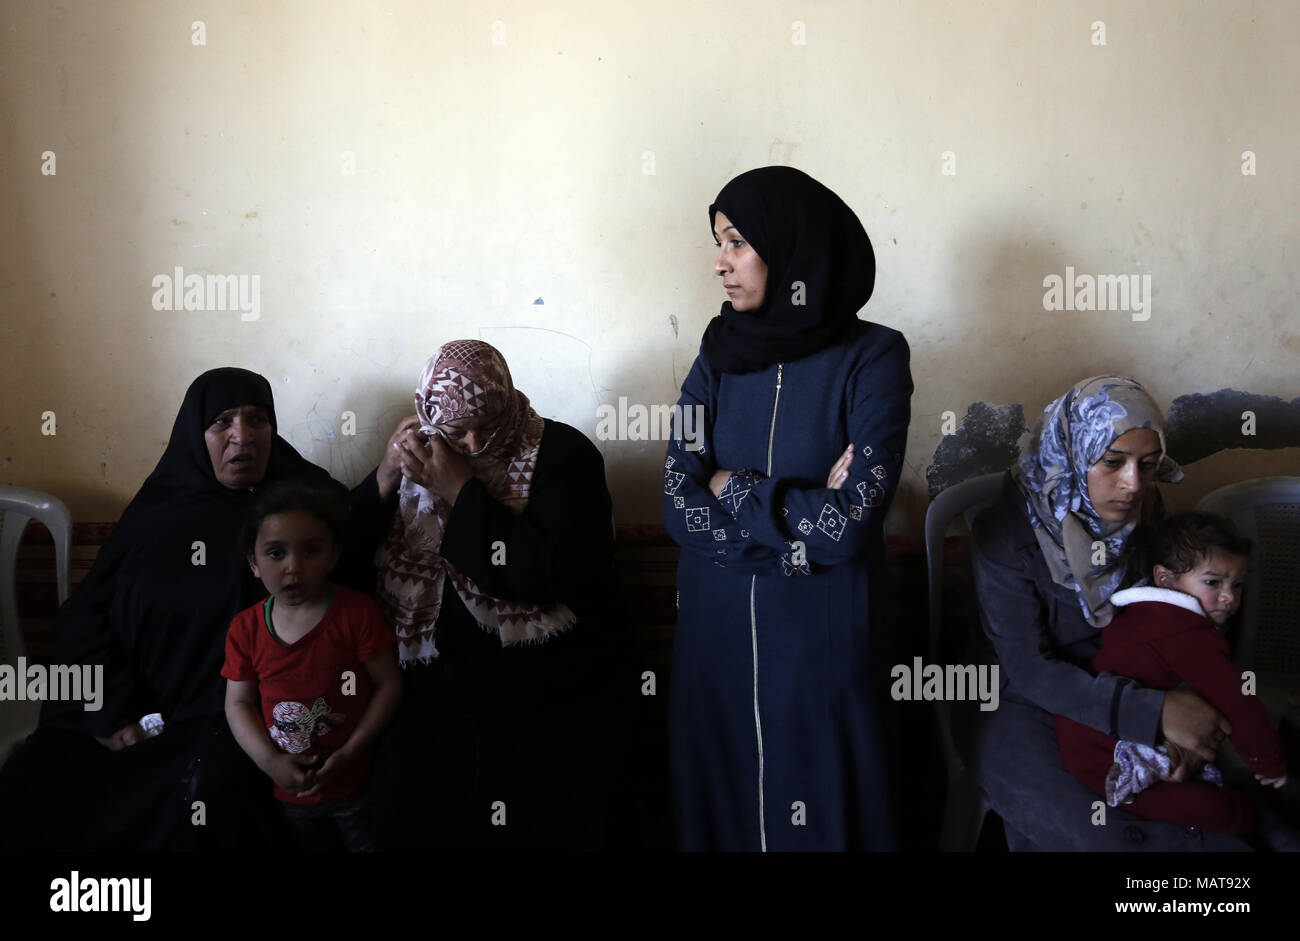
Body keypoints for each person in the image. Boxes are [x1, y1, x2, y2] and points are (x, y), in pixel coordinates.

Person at [663, 166, 912, 851]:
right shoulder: (715, 358)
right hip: (716, 633)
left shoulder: (874, 358)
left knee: (827, 801)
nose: (720, 263)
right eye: (719, 242)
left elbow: (853, 518)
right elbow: (677, 500)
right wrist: (794, 545)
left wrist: (733, 486)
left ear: (792, 245)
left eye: (737, 242)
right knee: (728, 803)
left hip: (821, 640)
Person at [0, 367, 348, 851]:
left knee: (202, 801)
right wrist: (112, 714)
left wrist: (390, 474)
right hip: (128, 706)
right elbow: (85, 616)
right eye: (221, 422)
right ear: (195, 433)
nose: (241, 437)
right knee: (39, 790)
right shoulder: (160, 509)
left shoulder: (295, 504)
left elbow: (353, 524)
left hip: (227, 718)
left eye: (256, 420)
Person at [959, 375, 1257, 850]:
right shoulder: (1008, 533)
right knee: (1099, 831)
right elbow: (1029, 668)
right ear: (1074, 453)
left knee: (1207, 815)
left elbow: (1164, 619)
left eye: (1149, 464)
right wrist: (1153, 714)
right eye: (1113, 462)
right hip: (1019, 699)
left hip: (1125, 676)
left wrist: (1176, 706)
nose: (1133, 484)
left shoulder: (1144, 511)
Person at [362, 339, 627, 851]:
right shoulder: (416, 457)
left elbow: (547, 575)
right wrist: (383, 478)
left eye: (489, 425)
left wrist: (461, 490)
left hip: (542, 696)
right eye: (458, 431)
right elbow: (345, 557)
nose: (476, 444)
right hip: (429, 702)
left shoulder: (564, 457)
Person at [1054, 511, 1286, 834]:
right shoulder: (1185, 631)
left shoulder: (1143, 613)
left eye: (1237, 585)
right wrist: (1268, 761)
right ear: (1164, 579)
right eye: (1212, 582)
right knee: (1219, 812)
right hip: (1106, 754)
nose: (1229, 597)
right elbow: (1239, 702)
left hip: (1089, 734)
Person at [223, 482, 402, 851]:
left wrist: (349, 753)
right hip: (288, 792)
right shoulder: (246, 628)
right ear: (254, 563)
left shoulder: (356, 614)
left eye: (311, 552)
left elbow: (389, 685)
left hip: (357, 783)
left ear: (333, 556)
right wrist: (271, 762)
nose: (293, 567)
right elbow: (237, 704)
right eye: (276, 553)